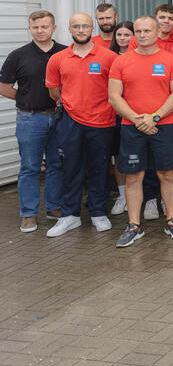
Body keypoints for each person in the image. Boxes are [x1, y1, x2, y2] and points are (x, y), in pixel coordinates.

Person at [108, 16, 173, 247]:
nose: (142, 35)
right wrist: (137, 119)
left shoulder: (170, 60)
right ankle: (134, 225)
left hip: (163, 125)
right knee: (133, 176)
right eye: (138, 31)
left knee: (167, 174)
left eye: (147, 30)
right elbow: (114, 96)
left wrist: (155, 117)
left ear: (157, 31)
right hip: (132, 127)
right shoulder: (121, 62)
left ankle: (171, 221)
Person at [44, 13, 118, 237]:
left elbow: (118, 90)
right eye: (76, 26)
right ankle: (70, 216)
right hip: (70, 122)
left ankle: (98, 212)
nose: (81, 29)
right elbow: (54, 91)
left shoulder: (109, 57)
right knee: (71, 169)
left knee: (99, 168)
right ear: (69, 29)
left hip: (102, 121)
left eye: (85, 26)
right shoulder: (58, 58)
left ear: (91, 28)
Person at [0, 10, 66, 233]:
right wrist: (25, 97)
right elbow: (4, 86)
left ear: (53, 28)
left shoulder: (65, 53)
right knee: (30, 167)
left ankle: (54, 207)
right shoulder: (18, 55)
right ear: (30, 28)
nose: (40, 30)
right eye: (36, 27)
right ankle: (28, 214)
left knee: (57, 164)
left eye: (45, 26)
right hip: (30, 118)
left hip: (59, 117)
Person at [108, 21, 134, 215]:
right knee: (117, 156)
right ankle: (122, 195)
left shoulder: (138, 57)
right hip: (113, 115)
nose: (123, 38)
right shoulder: (109, 58)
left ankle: (142, 196)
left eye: (127, 34)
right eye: (120, 35)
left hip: (136, 115)